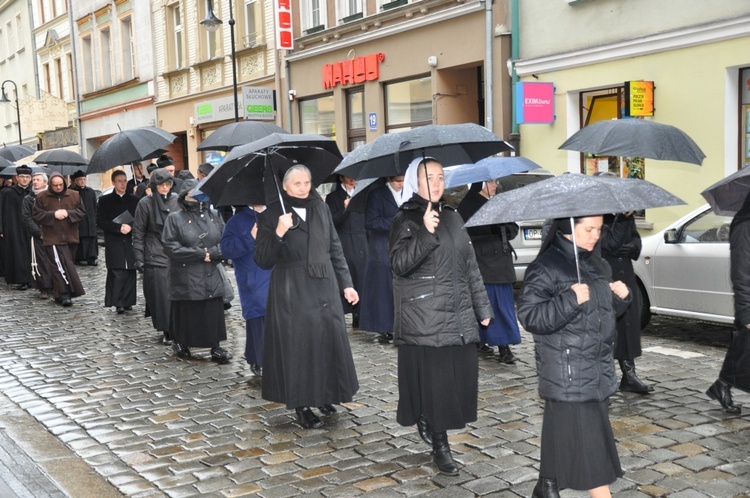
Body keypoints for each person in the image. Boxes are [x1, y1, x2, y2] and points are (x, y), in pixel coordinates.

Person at [389, 158, 492, 476]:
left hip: (457, 314)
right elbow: (399, 264)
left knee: (458, 381)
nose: (436, 182)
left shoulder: (452, 214)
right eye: (429, 177)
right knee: (438, 386)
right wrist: (424, 232)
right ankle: (440, 444)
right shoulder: (405, 218)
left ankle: (430, 420)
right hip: (425, 317)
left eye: (440, 177)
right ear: (415, 182)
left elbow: (469, 264)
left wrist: (482, 308)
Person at [517, 216, 631, 498]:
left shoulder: (596, 264)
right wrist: (568, 299)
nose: (596, 235)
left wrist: (620, 298)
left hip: (596, 368)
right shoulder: (545, 267)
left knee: (563, 431)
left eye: (599, 229)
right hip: (569, 371)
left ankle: (548, 484)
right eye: (588, 229)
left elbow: (600, 317)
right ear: (569, 227)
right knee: (592, 455)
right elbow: (530, 317)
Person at [254, 165, 359, 430]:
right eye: (297, 183)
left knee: (326, 342)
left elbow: (335, 247)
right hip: (292, 288)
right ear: (286, 187)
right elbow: (263, 259)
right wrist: (278, 231)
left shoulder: (320, 207)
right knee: (299, 347)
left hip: (324, 284)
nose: (303, 187)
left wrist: (346, 284)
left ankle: (324, 394)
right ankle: (302, 405)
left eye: (307, 182)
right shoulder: (271, 215)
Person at [161, 179, 232, 364]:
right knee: (188, 311)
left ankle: (215, 345)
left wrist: (215, 253)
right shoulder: (175, 218)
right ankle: (182, 342)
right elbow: (170, 247)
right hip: (187, 274)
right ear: (185, 195)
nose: (197, 196)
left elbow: (226, 241)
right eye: (193, 192)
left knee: (212, 311)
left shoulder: (214, 215)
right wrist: (201, 254)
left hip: (211, 272)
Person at [457, 180, 522, 364]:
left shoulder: (498, 202)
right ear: (483, 184)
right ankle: (502, 346)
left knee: (504, 306)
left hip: (502, 261)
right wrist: (488, 228)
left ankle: (502, 343)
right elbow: (464, 233)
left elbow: (513, 228)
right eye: (493, 182)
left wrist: (504, 229)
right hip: (483, 262)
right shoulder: (469, 204)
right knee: (489, 305)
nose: (496, 185)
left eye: (497, 181)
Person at [706, 191, 750, 414]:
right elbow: (741, 274)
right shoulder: (744, 227)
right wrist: (746, 313)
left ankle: (721, 385)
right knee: (743, 352)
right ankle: (722, 385)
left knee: (743, 351)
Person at [600, 211, 653, 394]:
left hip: (626, 273)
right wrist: (621, 219)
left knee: (628, 325)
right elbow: (610, 244)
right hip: (607, 274)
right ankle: (602, 377)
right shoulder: (596, 215)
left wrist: (632, 247)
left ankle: (629, 375)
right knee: (608, 327)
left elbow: (636, 241)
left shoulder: (625, 216)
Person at [221, 205, 272, 376]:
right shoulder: (236, 221)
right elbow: (226, 249)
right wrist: (250, 237)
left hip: (276, 274)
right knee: (257, 316)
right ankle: (258, 359)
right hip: (252, 277)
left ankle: (275, 358)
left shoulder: (275, 214)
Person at [132, 168, 178, 344]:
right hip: (154, 255)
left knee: (176, 294)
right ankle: (166, 329)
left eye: (168, 184)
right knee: (160, 296)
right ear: (154, 186)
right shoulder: (145, 203)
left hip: (175, 254)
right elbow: (138, 232)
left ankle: (176, 327)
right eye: (161, 185)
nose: (165, 188)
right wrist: (139, 258)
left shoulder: (177, 201)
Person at [359, 175, 404, 344]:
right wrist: (396, 221)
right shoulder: (377, 194)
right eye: (398, 181)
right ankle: (384, 326)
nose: (401, 184)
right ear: (390, 179)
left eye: (403, 180)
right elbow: (371, 222)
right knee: (383, 289)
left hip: (401, 245)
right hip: (381, 246)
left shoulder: (408, 193)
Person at [32, 172, 86, 306]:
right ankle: (64, 294)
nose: (58, 188)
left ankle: (58, 293)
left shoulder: (74, 195)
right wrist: (53, 215)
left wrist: (68, 213)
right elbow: (37, 214)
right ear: (50, 185)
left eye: (60, 185)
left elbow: (82, 212)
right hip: (52, 237)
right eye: (55, 185)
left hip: (70, 236)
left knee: (68, 264)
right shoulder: (41, 197)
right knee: (58, 266)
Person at [325, 175, 368, 327]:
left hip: (361, 241)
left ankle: (360, 316)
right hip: (343, 242)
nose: (352, 179)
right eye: (348, 177)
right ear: (341, 178)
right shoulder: (333, 197)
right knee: (345, 278)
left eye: (354, 176)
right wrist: (345, 209)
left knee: (361, 279)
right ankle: (342, 314)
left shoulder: (363, 194)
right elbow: (332, 221)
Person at [96, 170, 139, 314]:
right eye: (120, 181)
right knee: (118, 272)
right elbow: (100, 221)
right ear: (114, 182)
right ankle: (118, 302)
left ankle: (128, 301)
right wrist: (118, 227)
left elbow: (140, 220)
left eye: (125, 180)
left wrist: (131, 227)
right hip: (114, 240)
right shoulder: (105, 201)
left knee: (130, 272)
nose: (123, 184)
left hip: (130, 240)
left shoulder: (134, 200)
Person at [0, 165, 33, 290]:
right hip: (13, 227)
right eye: (22, 177)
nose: (25, 179)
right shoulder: (7, 193)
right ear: (17, 178)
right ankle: (21, 279)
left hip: (30, 227)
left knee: (31, 253)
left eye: (27, 177)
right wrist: (1, 229)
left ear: (30, 178)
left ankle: (32, 279)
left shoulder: (33, 193)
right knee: (18, 254)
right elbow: (1, 211)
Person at [21, 172, 53, 299]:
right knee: (40, 262)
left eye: (38, 180)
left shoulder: (52, 197)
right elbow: (26, 218)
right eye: (33, 180)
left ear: (45, 182)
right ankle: (44, 287)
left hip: (53, 234)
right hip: (37, 235)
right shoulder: (28, 199)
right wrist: (39, 233)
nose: (34, 182)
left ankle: (56, 286)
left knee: (55, 261)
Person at [69, 170, 99, 266]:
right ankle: (79, 258)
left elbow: (95, 206)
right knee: (81, 240)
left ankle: (91, 258)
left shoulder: (91, 191)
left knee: (91, 239)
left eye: (84, 179)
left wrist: (94, 218)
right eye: (80, 180)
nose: (82, 181)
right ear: (76, 181)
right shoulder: (73, 192)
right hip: (80, 221)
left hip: (90, 220)